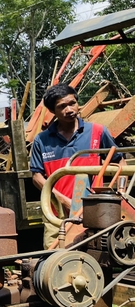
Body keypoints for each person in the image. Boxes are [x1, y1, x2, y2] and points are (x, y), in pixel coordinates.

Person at [30, 83, 122, 248]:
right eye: (62, 106)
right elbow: (37, 177)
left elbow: (118, 162)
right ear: (52, 112)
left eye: (72, 103)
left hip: (94, 211)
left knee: (96, 256)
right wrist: (65, 202)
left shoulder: (98, 132)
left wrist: (116, 195)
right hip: (56, 215)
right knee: (57, 261)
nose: (69, 109)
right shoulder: (41, 140)